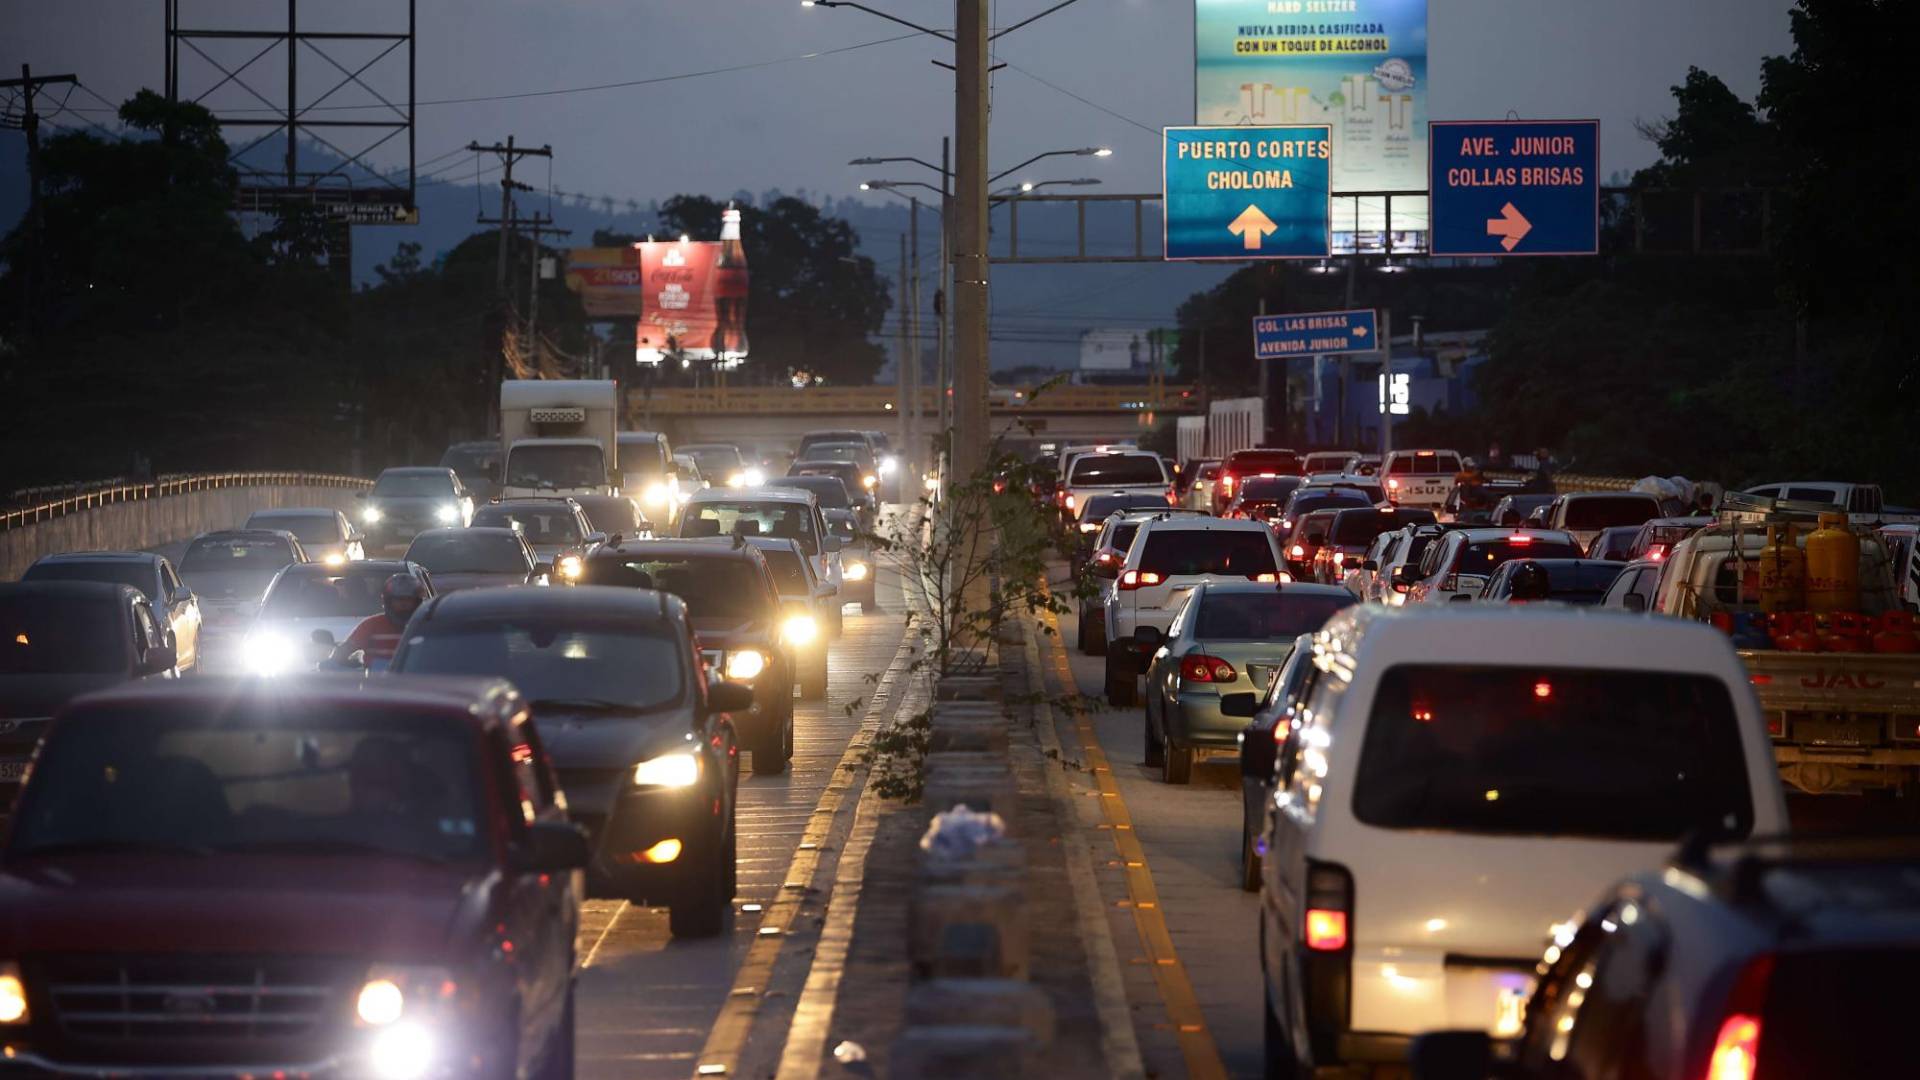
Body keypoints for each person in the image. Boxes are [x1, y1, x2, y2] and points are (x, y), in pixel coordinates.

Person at [331, 573, 428, 669]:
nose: (403, 605)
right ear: (388, 601)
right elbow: (343, 652)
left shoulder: (428, 626)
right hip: (376, 682)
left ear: (417, 602)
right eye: (398, 600)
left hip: (419, 682)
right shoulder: (371, 625)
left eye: (408, 600)